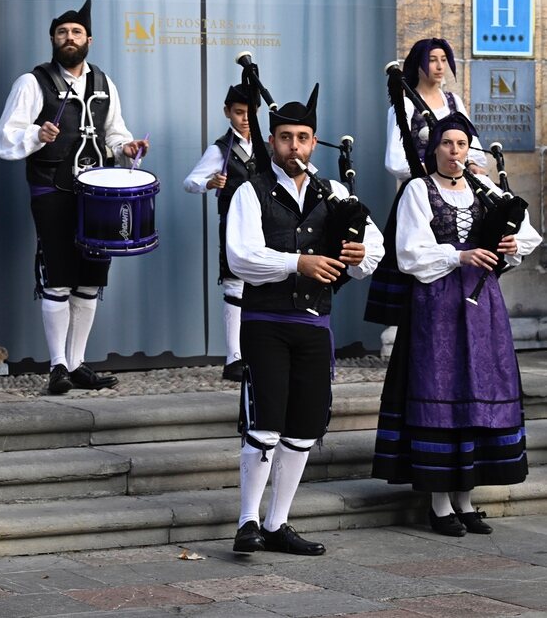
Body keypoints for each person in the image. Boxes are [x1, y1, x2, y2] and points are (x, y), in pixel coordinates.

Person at [226, 84, 384, 556]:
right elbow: (241, 257)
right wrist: (298, 263)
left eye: (303, 138)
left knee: (303, 428)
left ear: (315, 142)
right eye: (286, 137)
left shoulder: (333, 192)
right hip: (265, 321)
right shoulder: (250, 191)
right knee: (265, 424)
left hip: (315, 324)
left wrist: (359, 255)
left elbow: (373, 247)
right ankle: (247, 521)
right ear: (271, 141)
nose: (294, 146)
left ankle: (278, 524)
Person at [370, 112, 541, 536]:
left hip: (483, 308)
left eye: (462, 144)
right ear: (434, 149)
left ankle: (466, 500)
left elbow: (529, 234)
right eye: (447, 144)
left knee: (477, 390)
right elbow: (409, 252)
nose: (455, 152)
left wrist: (510, 244)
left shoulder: (483, 188)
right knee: (441, 388)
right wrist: (459, 255)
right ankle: (440, 503)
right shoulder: (418, 190)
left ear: (470, 149)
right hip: (436, 305)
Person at [0, 0, 148, 395]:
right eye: (62, 32)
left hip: (97, 195)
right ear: (52, 39)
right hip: (53, 190)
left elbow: (115, 132)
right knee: (58, 279)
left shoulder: (104, 83)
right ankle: (57, 365)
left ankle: (78, 363)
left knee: (90, 282)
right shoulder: (33, 82)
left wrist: (127, 149)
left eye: (76, 32)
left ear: (89, 39)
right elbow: (4, 140)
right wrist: (35, 134)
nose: (69, 37)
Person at [183, 85, 258, 381]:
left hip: (265, 226)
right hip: (233, 225)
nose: (244, 118)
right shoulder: (220, 149)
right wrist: (209, 183)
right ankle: (233, 358)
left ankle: (258, 351)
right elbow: (189, 181)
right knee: (235, 287)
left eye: (249, 113)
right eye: (238, 112)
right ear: (227, 112)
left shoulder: (266, 145)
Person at [385, 38, 486, 180]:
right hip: (422, 184)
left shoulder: (453, 101)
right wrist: (436, 167)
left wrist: (471, 164)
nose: (440, 66)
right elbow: (396, 162)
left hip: (456, 182)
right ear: (418, 64)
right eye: (432, 60)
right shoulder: (405, 105)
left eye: (443, 60)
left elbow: (472, 143)